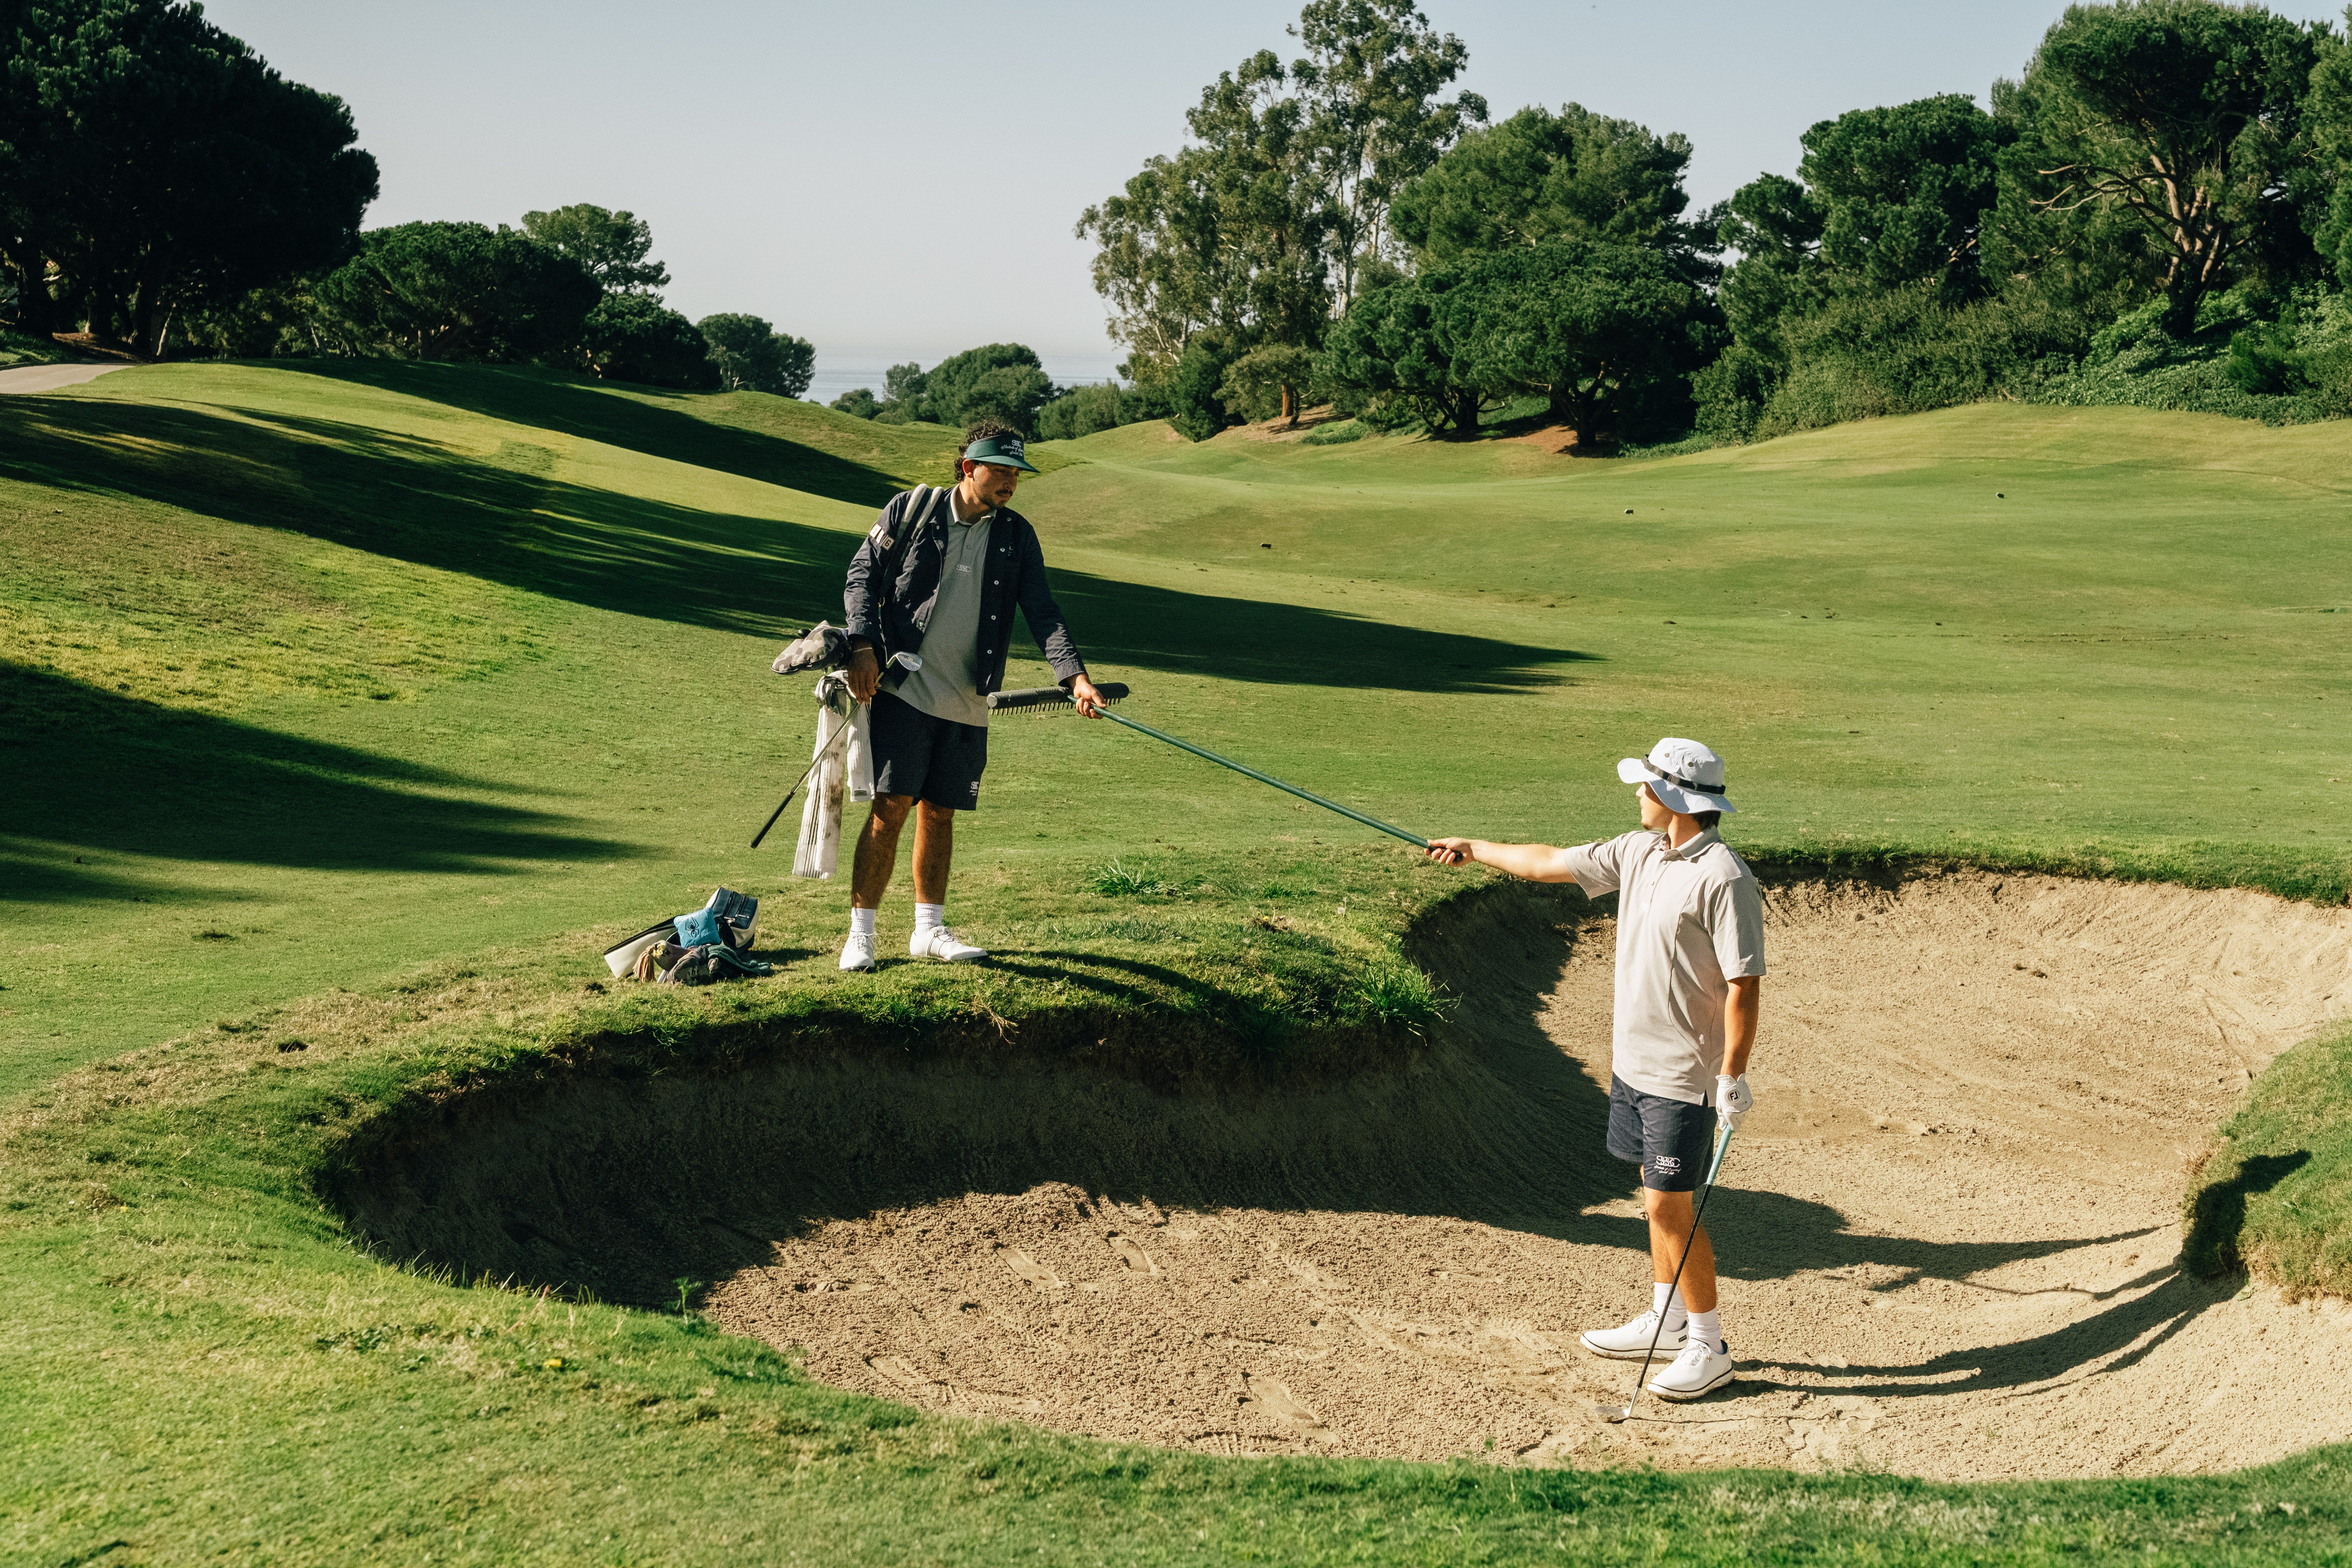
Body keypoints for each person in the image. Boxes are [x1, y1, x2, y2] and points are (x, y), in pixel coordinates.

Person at [1424, 738, 1764, 1402]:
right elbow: (1549, 862)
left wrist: (1731, 1075)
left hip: (1682, 1076)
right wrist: (1476, 848)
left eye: (1645, 786)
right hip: (1633, 1065)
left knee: (1671, 1207)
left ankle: (1708, 1344)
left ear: (1673, 797)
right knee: (1652, 1195)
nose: (1637, 794)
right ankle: (1668, 1320)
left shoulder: (1724, 878)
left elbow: (1743, 985)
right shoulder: (1638, 852)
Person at [836, 418, 1106, 972]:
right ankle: (861, 936)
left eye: (1016, 474)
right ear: (968, 468)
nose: (1010, 482)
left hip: (970, 699)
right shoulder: (912, 511)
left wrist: (1073, 677)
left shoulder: (1015, 535)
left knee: (941, 814)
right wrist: (863, 644)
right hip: (906, 687)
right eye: (1000, 471)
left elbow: (1043, 611)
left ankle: (928, 931)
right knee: (892, 807)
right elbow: (861, 577)